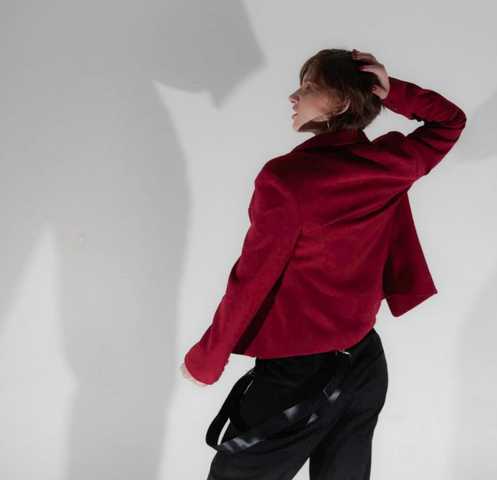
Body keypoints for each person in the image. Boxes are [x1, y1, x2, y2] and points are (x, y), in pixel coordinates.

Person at [180, 48, 467, 479]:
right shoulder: (390, 164)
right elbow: (449, 121)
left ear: (342, 102)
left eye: (310, 87)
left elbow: (252, 279)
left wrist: (208, 358)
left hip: (296, 377)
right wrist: (393, 91)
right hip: (364, 363)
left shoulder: (286, 180)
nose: (294, 97)